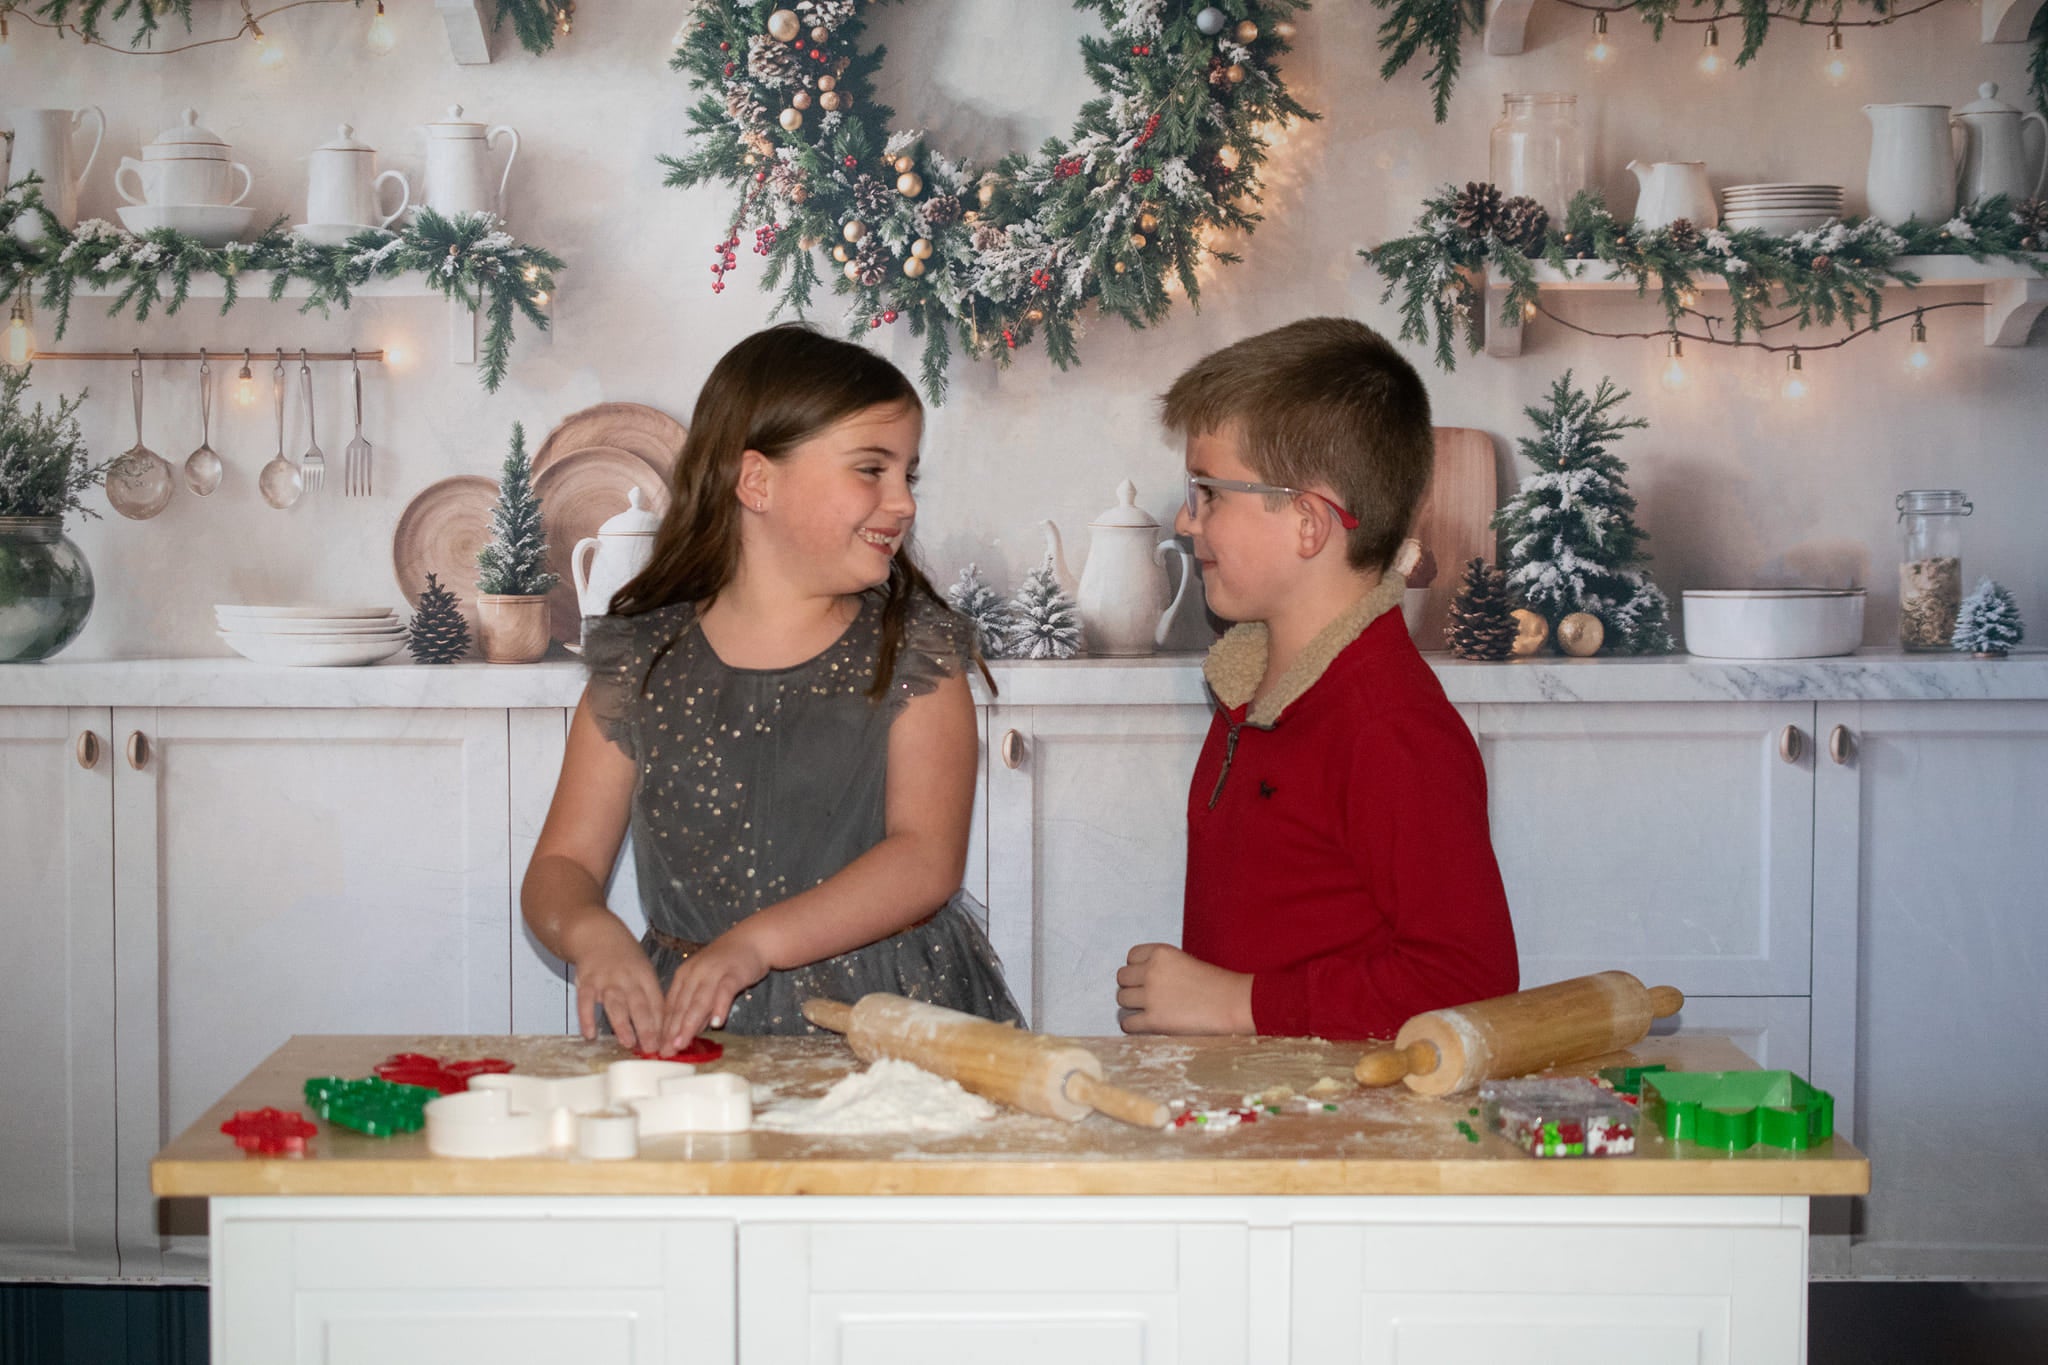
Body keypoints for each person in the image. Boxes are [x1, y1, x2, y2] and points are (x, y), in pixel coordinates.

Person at [523, 323, 1021, 1057]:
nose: (903, 501)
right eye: (871, 469)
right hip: (692, 1027)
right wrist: (593, 934)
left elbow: (925, 860)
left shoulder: (916, 653)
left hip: (890, 1026)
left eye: (908, 474)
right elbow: (561, 865)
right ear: (756, 481)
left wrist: (756, 944)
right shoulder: (642, 664)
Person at [1116, 317, 1519, 1040]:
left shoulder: (1390, 728)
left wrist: (1238, 1004)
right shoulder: (1256, 692)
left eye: (1207, 492)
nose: (1184, 519)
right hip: (1261, 1111)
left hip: (1340, 1136)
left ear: (1307, 522)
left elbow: (1470, 980)